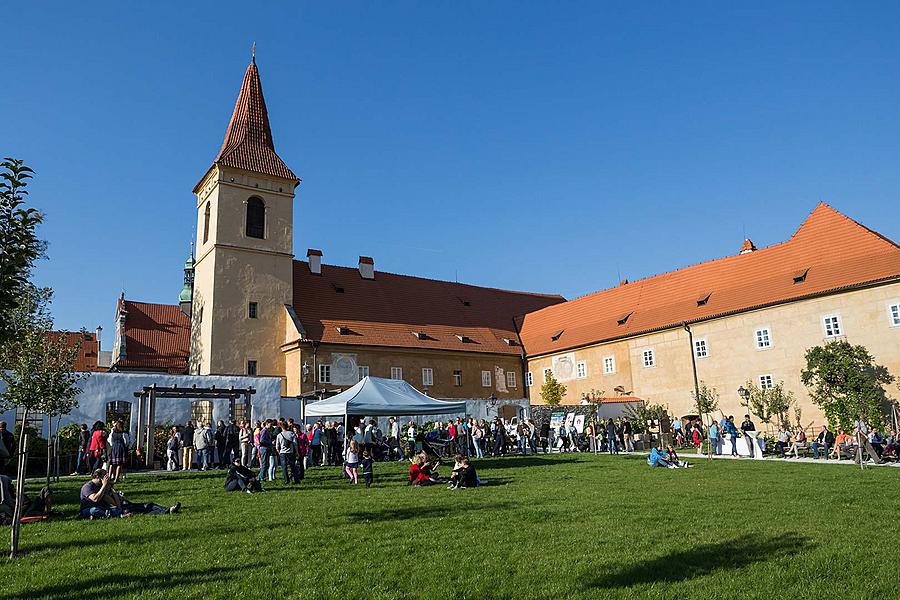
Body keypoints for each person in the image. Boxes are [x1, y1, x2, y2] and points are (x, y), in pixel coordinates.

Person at [80, 469, 180, 518]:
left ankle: (167, 510)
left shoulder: (104, 487)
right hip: (92, 510)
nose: (107, 479)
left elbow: (115, 503)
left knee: (147, 505)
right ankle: (121, 515)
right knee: (94, 510)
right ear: (98, 477)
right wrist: (104, 486)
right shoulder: (88, 487)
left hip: (111, 508)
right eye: (105, 477)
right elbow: (95, 499)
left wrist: (113, 491)